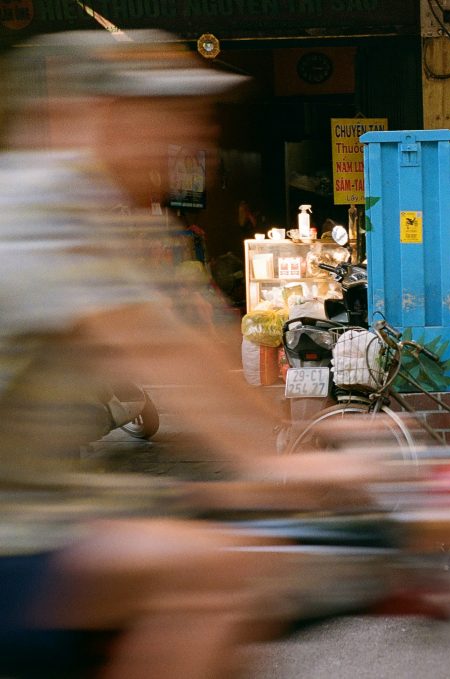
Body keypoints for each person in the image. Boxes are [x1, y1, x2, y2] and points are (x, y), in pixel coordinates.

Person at [0, 30, 334, 679]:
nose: (189, 139)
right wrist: (289, 467)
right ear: (102, 115)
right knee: (218, 567)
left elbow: (193, 347)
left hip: (47, 509)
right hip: (14, 530)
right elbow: (158, 354)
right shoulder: (46, 203)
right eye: (166, 118)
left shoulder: (112, 217)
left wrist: (287, 441)